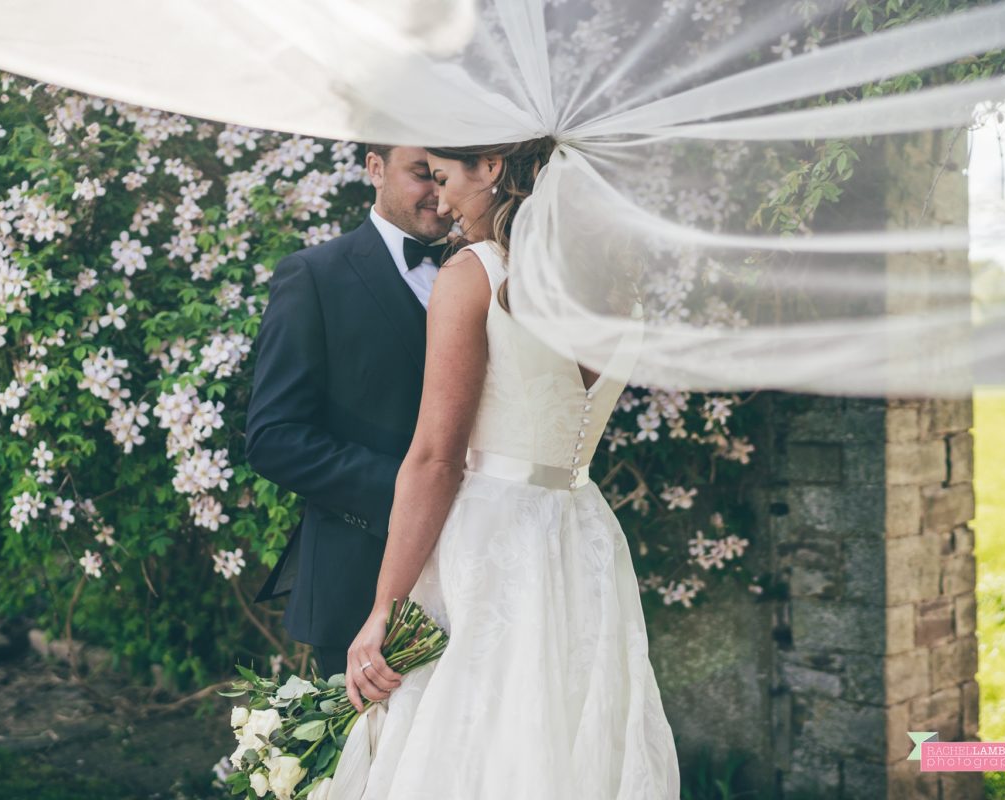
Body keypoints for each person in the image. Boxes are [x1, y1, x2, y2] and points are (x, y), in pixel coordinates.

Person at [334, 138, 680, 799]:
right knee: (564, 728)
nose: (438, 197)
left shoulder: (476, 275)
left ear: (493, 167)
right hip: (582, 537)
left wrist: (385, 609)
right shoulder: (620, 290)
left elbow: (436, 458)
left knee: (474, 738)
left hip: (489, 543)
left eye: (443, 177)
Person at [244, 145, 452, 679]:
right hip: (358, 578)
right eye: (423, 174)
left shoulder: (489, 269)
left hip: (481, 571)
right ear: (375, 168)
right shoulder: (314, 276)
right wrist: (413, 489)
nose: (439, 190)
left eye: (447, 175)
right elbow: (275, 437)